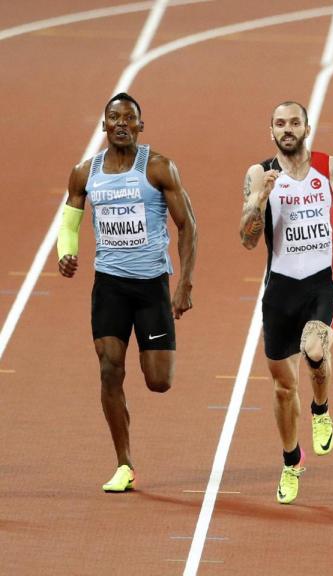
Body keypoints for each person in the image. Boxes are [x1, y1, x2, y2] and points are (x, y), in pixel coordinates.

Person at [57, 92, 198, 492]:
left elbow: (188, 225)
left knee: (159, 381)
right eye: (114, 118)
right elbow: (69, 222)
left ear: (140, 125)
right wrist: (66, 252)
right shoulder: (84, 173)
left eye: (128, 118)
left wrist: (184, 283)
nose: (121, 124)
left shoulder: (158, 168)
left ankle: (152, 356)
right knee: (109, 369)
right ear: (104, 125)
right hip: (110, 286)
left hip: (151, 286)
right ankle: (124, 463)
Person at [239, 101, 333, 504]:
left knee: (315, 348)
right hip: (280, 290)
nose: (287, 129)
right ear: (271, 132)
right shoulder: (260, 174)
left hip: (322, 283)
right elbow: (247, 240)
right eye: (280, 124)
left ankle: (321, 410)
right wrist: (257, 201)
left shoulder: (331, 167)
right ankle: (291, 461)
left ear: (307, 128)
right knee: (283, 388)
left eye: (294, 122)